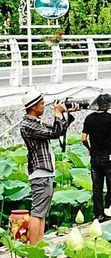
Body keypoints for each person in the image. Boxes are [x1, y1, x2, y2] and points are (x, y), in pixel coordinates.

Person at [19, 89, 75, 244]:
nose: (44, 106)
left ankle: (39, 244)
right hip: (40, 172)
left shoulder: (36, 123)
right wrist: (57, 114)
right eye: (42, 104)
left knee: (41, 212)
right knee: (37, 212)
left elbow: (59, 129)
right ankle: (35, 246)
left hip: (45, 172)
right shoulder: (27, 125)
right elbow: (55, 133)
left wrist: (67, 114)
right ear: (33, 106)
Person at [81, 95, 111, 221]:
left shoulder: (89, 118)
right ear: (107, 105)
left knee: (97, 187)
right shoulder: (110, 118)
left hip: (95, 157)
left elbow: (83, 139)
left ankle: (98, 214)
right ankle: (109, 212)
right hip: (109, 156)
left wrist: (90, 149)